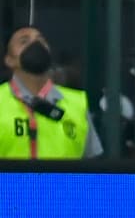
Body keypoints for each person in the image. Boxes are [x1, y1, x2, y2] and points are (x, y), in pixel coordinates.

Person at [0, 27, 102, 160]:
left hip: (65, 182)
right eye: (24, 41)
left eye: (40, 39)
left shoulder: (77, 104)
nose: (35, 44)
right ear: (9, 60)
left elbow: (91, 165)